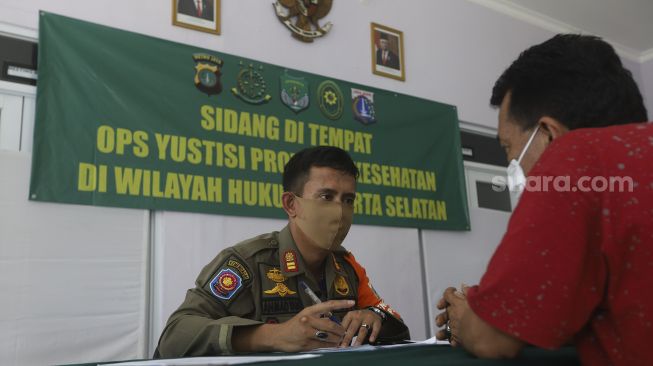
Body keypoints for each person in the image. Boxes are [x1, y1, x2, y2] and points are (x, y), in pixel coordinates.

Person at [435, 34, 651, 366]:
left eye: (509, 149)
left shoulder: (575, 157)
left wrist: (464, 316)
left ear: (549, 135)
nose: (513, 165)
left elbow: (493, 339)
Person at [155, 146, 410, 357]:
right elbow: (174, 336)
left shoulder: (347, 267)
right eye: (326, 196)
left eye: (348, 200)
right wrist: (272, 336)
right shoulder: (247, 263)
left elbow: (398, 327)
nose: (340, 211)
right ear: (291, 204)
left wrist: (374, 316)